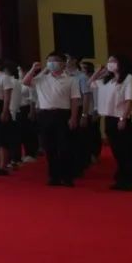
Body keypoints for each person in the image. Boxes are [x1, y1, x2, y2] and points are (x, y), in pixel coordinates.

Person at [22, 52, 81, 187]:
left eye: (55, 61)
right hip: (45, 115)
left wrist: (73, 117)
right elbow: (25, 82)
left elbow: (75, 100)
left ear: (63, 64)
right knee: (49, 147)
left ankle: (67, 176)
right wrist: (34, 69)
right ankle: (54, 176)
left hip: (63, 114)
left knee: (65, 147)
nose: (52, 63)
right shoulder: (42, 78)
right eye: (49, 61)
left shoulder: (71, 80)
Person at [91, 55, 132, 192]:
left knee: (126, 150)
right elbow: (91, 83)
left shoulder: (129, 79)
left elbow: (130, 100)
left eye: (113, 61)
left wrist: (123, 118)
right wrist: (100, 71)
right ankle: (122, 179)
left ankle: (131, 181)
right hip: (109, 117)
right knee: (117, 151)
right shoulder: (109, 80)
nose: (110, 63)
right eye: (108, 61)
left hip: (122, 118)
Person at [80, 61, 102, 164]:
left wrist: (96, 111)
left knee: (93, 134)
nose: (81, 70)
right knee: (86, 135)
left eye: (83, 68)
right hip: (85, 111)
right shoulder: (82, 80)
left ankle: (94, 154)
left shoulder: (95, 82)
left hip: (93, 111)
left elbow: (97, 98)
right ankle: (87, 154)